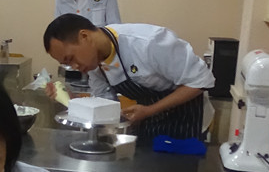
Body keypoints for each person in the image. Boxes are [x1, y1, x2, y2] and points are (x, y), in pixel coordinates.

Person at [43, 14, 215, 143]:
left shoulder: (148, 42)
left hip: (186, 119)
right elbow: (105, 105)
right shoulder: (95, 65)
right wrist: (72, 100)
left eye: (71, 59)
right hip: (148, 121)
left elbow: (201, 81)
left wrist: (150, 110)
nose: (74, 67)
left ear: (85, 36)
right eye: (67, 64)